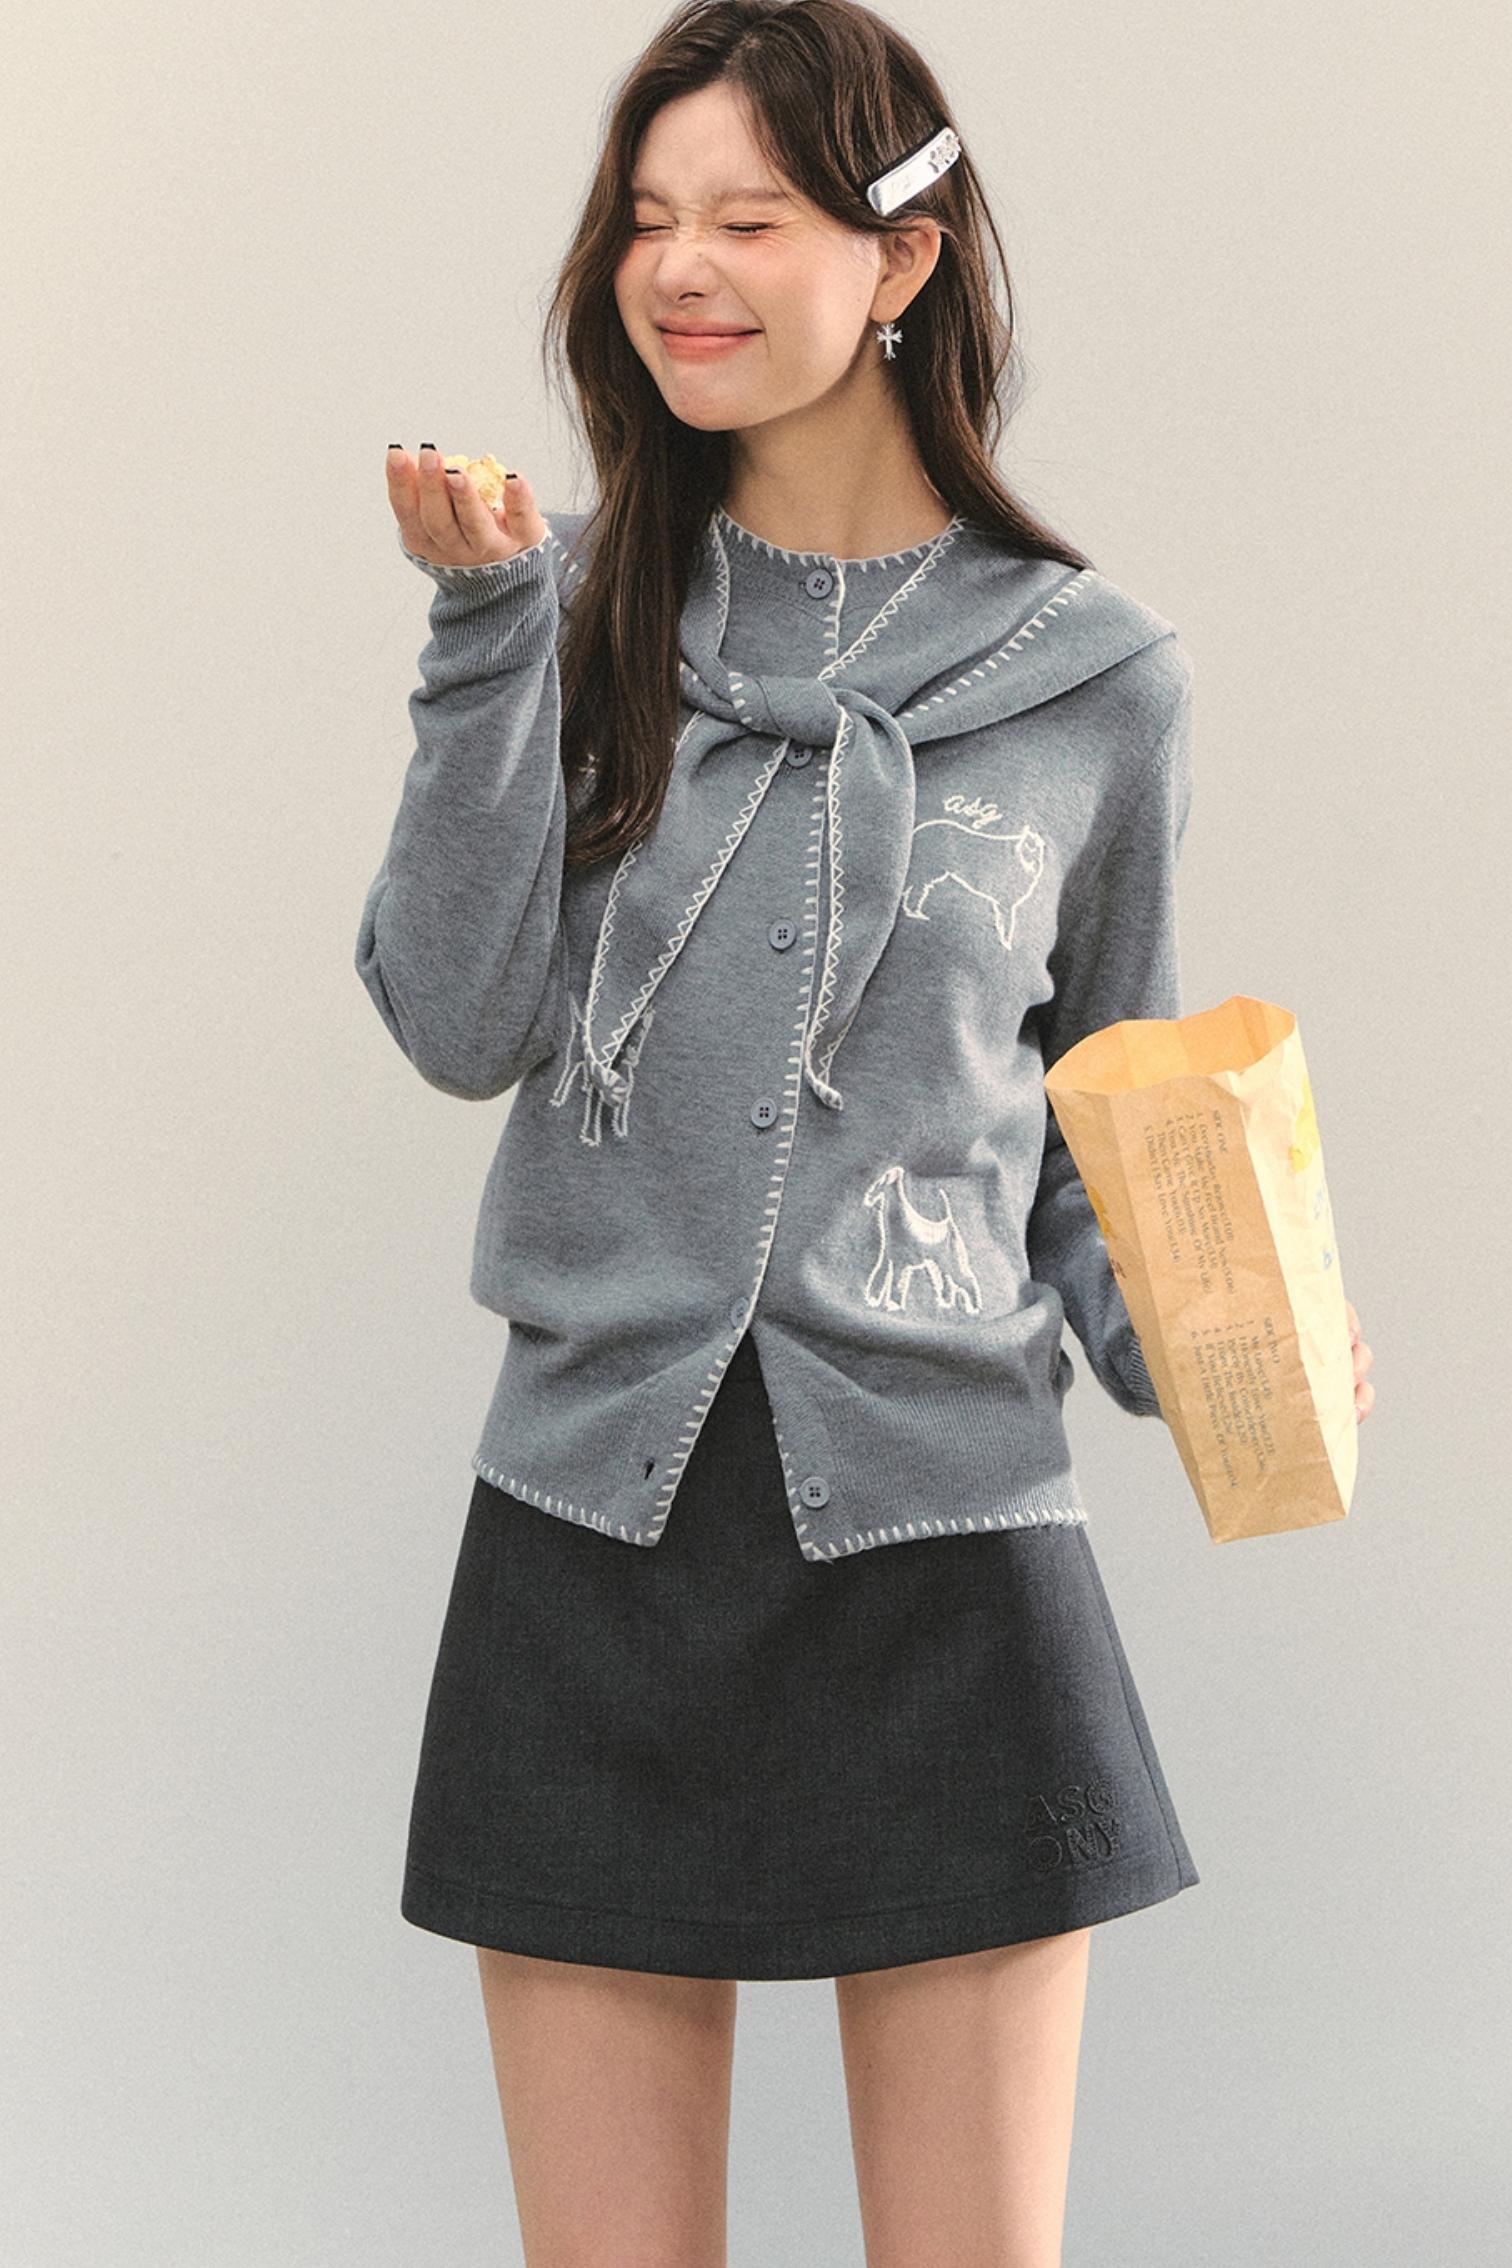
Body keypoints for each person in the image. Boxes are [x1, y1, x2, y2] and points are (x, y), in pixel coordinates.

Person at [362, 3, 1377, 2260]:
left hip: (945, 1547)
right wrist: (478, 639)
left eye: (749, 218)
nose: (678, 268)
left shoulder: (1096, 677)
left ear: (901, 258)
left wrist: (1233, 1346)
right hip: (591, 1536)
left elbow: (1103, 1111)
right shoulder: (567, 604)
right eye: (647, 218)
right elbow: (456, 1018)